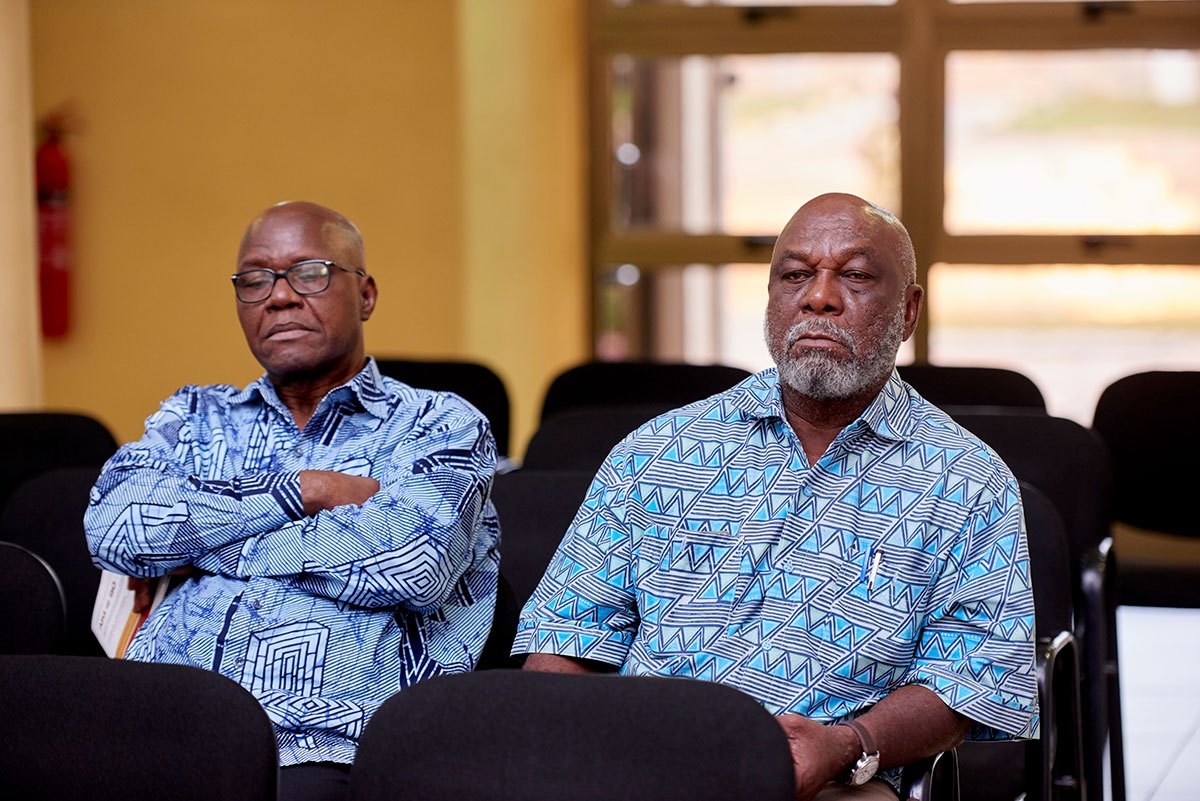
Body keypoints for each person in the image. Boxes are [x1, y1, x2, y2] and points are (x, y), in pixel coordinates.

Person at [513, 193, 1038, 801]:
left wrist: (849, 744)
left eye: (855, 276)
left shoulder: (967, 481)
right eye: (795, 275)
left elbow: (970, 682)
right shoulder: (658, 450)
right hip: (642, 763)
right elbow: (563, 638)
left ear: (909, 309)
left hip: (833, 778)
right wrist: (568, 759)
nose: (819, 297)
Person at [85, 201, 501, 801]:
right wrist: (307, 491)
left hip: (330, 751)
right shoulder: (194, 416)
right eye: (255, 280)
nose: (279, 297)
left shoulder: (440, 424)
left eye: (310, 273)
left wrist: (197, 546)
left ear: (366, 295)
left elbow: (411, 564)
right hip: (154, 735)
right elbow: (117, 532)